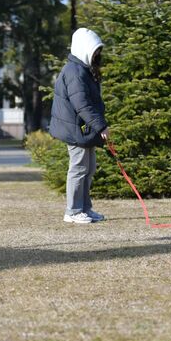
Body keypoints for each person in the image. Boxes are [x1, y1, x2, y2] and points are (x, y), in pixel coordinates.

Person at [49, 28, 110, 224]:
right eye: (95, 52)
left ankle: (85, 208)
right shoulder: (74, 72)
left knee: (89, 168)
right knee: (78, 169)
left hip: (82, 129)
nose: (97, 56)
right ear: (85, 49)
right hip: (74, 130)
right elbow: (82, 104)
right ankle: (73, 212)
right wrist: (101, 127)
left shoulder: (83, 70)